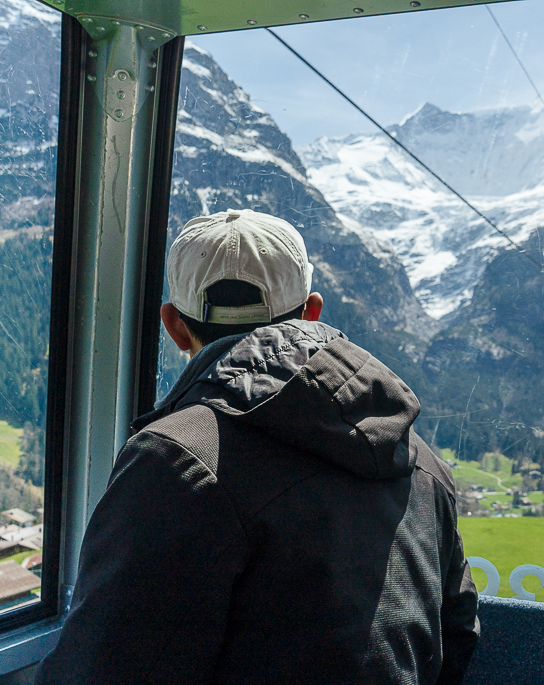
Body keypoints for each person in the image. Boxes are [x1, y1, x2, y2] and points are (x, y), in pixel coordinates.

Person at [35, 209, 479, 684]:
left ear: (173, 326)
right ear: (312, 310)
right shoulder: (420, 460)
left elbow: (101, 666)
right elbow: (455, 635)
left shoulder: (175, 460)